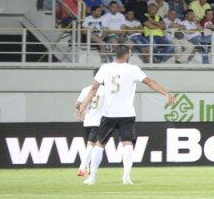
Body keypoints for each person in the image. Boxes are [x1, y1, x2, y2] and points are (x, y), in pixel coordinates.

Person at [75, 45, 175, 186]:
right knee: (127, 144)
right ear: (127, 55)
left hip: (109, 114)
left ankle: (92, 178)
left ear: (115, 55)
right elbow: (150, 82)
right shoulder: (133, 69)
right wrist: (166, 93)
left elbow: (94, 88)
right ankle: (126, 177)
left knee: (99, 145)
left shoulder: (105, 68)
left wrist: (83, 106)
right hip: (127, 114)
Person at [74, 70, 106, 179]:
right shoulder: (106, 90)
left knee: (90, 146)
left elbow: (77, 104)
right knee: (92, 146)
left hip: (87, 121)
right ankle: (82, 168)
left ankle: (88, 170)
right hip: (99, 121)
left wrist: (81, 110)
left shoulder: (86, 89)